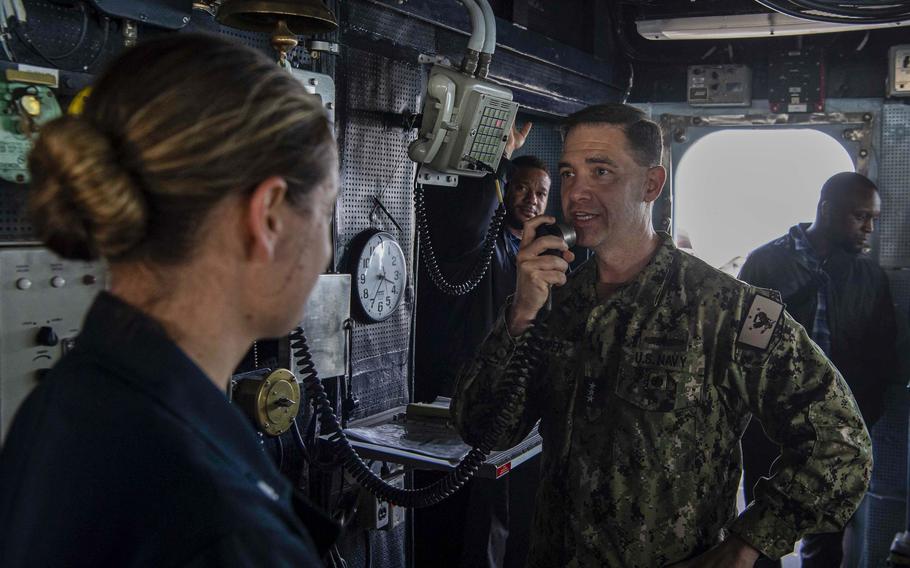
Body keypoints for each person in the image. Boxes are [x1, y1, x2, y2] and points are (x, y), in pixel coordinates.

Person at [452, 103, 873, 567]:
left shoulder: (727, 308)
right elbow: (483, 431)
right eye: (570, 174)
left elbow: (842, 442)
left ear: (651, 185)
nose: (577, 194)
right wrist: (522, 312)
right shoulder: (558, 303)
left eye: (602, 172)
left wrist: (746, 545)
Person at [0, 35, 339, 567]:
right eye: (324, 212)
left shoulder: (62, 403)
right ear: (269, 215)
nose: (324, 246)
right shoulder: (226, 527)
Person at [739, 171, 899, 568]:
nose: (869, 229)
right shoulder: (767, 263)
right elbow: (748, 348)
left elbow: (882, 359)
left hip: (838, 428)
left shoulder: (869, 277)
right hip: (770, 425)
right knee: (757, 535)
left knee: (827, 537)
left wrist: (860, 419)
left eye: (873, 220)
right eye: (860, 217)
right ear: (827, 211)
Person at [414, 125, 550, 568]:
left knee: (501, 515)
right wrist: (498, 155)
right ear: (504, 190)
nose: (531, 198)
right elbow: (472, 220)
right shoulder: (483, 242)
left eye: (541, 193)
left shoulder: (531, 254)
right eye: (521, 188)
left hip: (507, 399)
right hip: (458, 388)